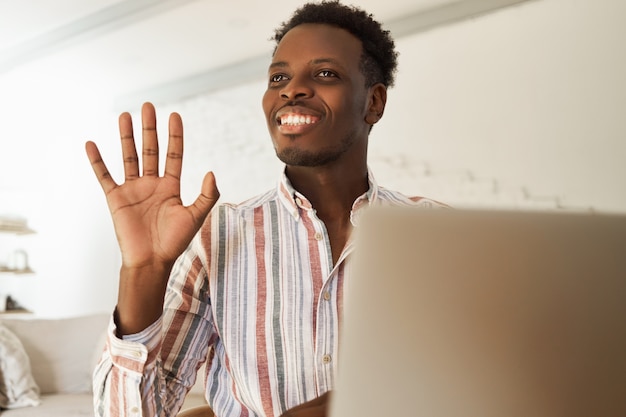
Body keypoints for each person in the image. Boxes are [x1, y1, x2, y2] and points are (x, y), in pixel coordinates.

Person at [86, 1, 445, 416]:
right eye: (278, 77)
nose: (291, 89)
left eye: (325, 73)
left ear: (374, 103)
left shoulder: (436, 232)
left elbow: (478, 384)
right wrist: (143, 271)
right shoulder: (216, 237)